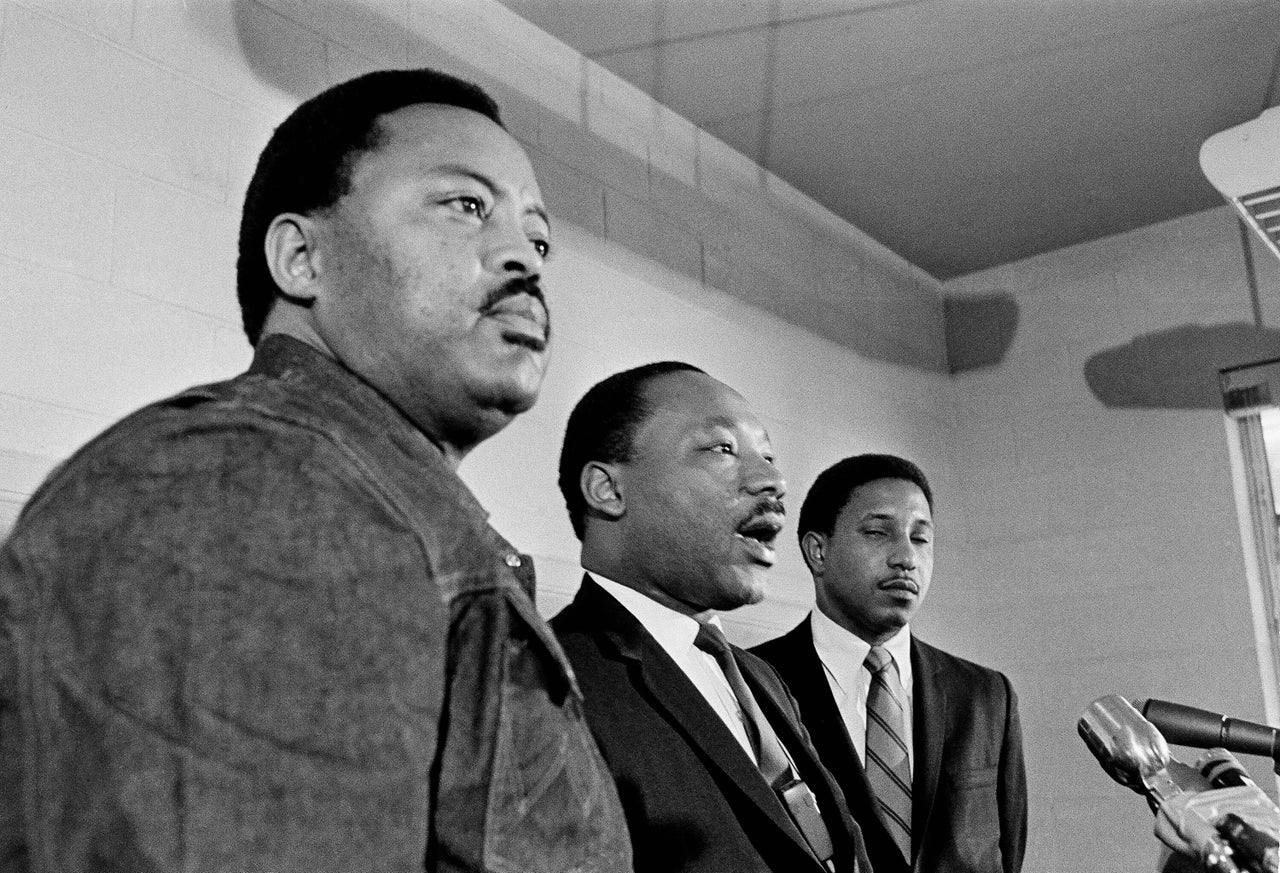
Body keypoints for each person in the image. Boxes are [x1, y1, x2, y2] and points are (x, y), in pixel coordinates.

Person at [0, 68, 632, 873]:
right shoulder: (241, 484)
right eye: (465, 205)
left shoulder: (384, 506)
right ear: (303, 258)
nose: (525, 259)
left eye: (538, 237)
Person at [550, 361, 872, 873]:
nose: (774, 480)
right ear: (608, 490)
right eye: (722, 449)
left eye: (767, 455)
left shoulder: (760, 676)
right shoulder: (547, 684)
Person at [752, 453, 1027, 873]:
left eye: (920, 538)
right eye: (878, 533)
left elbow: (1007, 850)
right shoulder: (755, 682)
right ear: (818, 551)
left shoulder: (985, 694)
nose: (906, 557)